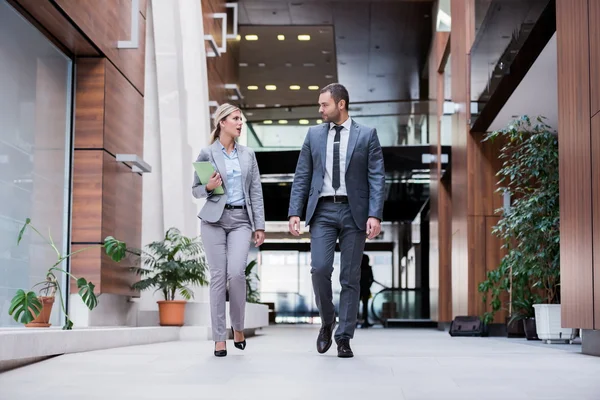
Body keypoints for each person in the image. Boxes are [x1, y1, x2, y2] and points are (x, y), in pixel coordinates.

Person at [288, 83, 385, 358]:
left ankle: (344, 336)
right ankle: (328, 319)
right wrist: (295, 212)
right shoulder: (313, 135)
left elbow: (377, 177)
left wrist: (375, 214)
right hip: (322, 211)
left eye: (324, 105)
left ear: (341, 104)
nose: (320, 109)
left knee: (350, 277)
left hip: (354, 212)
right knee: (319, 268)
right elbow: (302, 175)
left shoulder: (367, 135)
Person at [192, 103, 265, 357]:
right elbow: (196, 190)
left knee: (236, 274)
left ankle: (239, 327)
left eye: (241, 119)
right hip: (214, 220)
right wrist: (209, 187)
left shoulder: (248, 155)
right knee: (217, 278)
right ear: (222, 122)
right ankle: (219, 337)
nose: (240, 123)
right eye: (235, 119)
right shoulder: (207, 153)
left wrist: (260, 226)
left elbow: (256, 191)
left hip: (241, 220)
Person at [359, 254, 374, 328]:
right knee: (365, 306)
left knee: (356, 306)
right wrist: (368, 286)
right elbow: (371, 279)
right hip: (365, 289)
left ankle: (357, 321)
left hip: (358, 289)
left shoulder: (358, 268)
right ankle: (365, 321)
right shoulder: (368, 268)